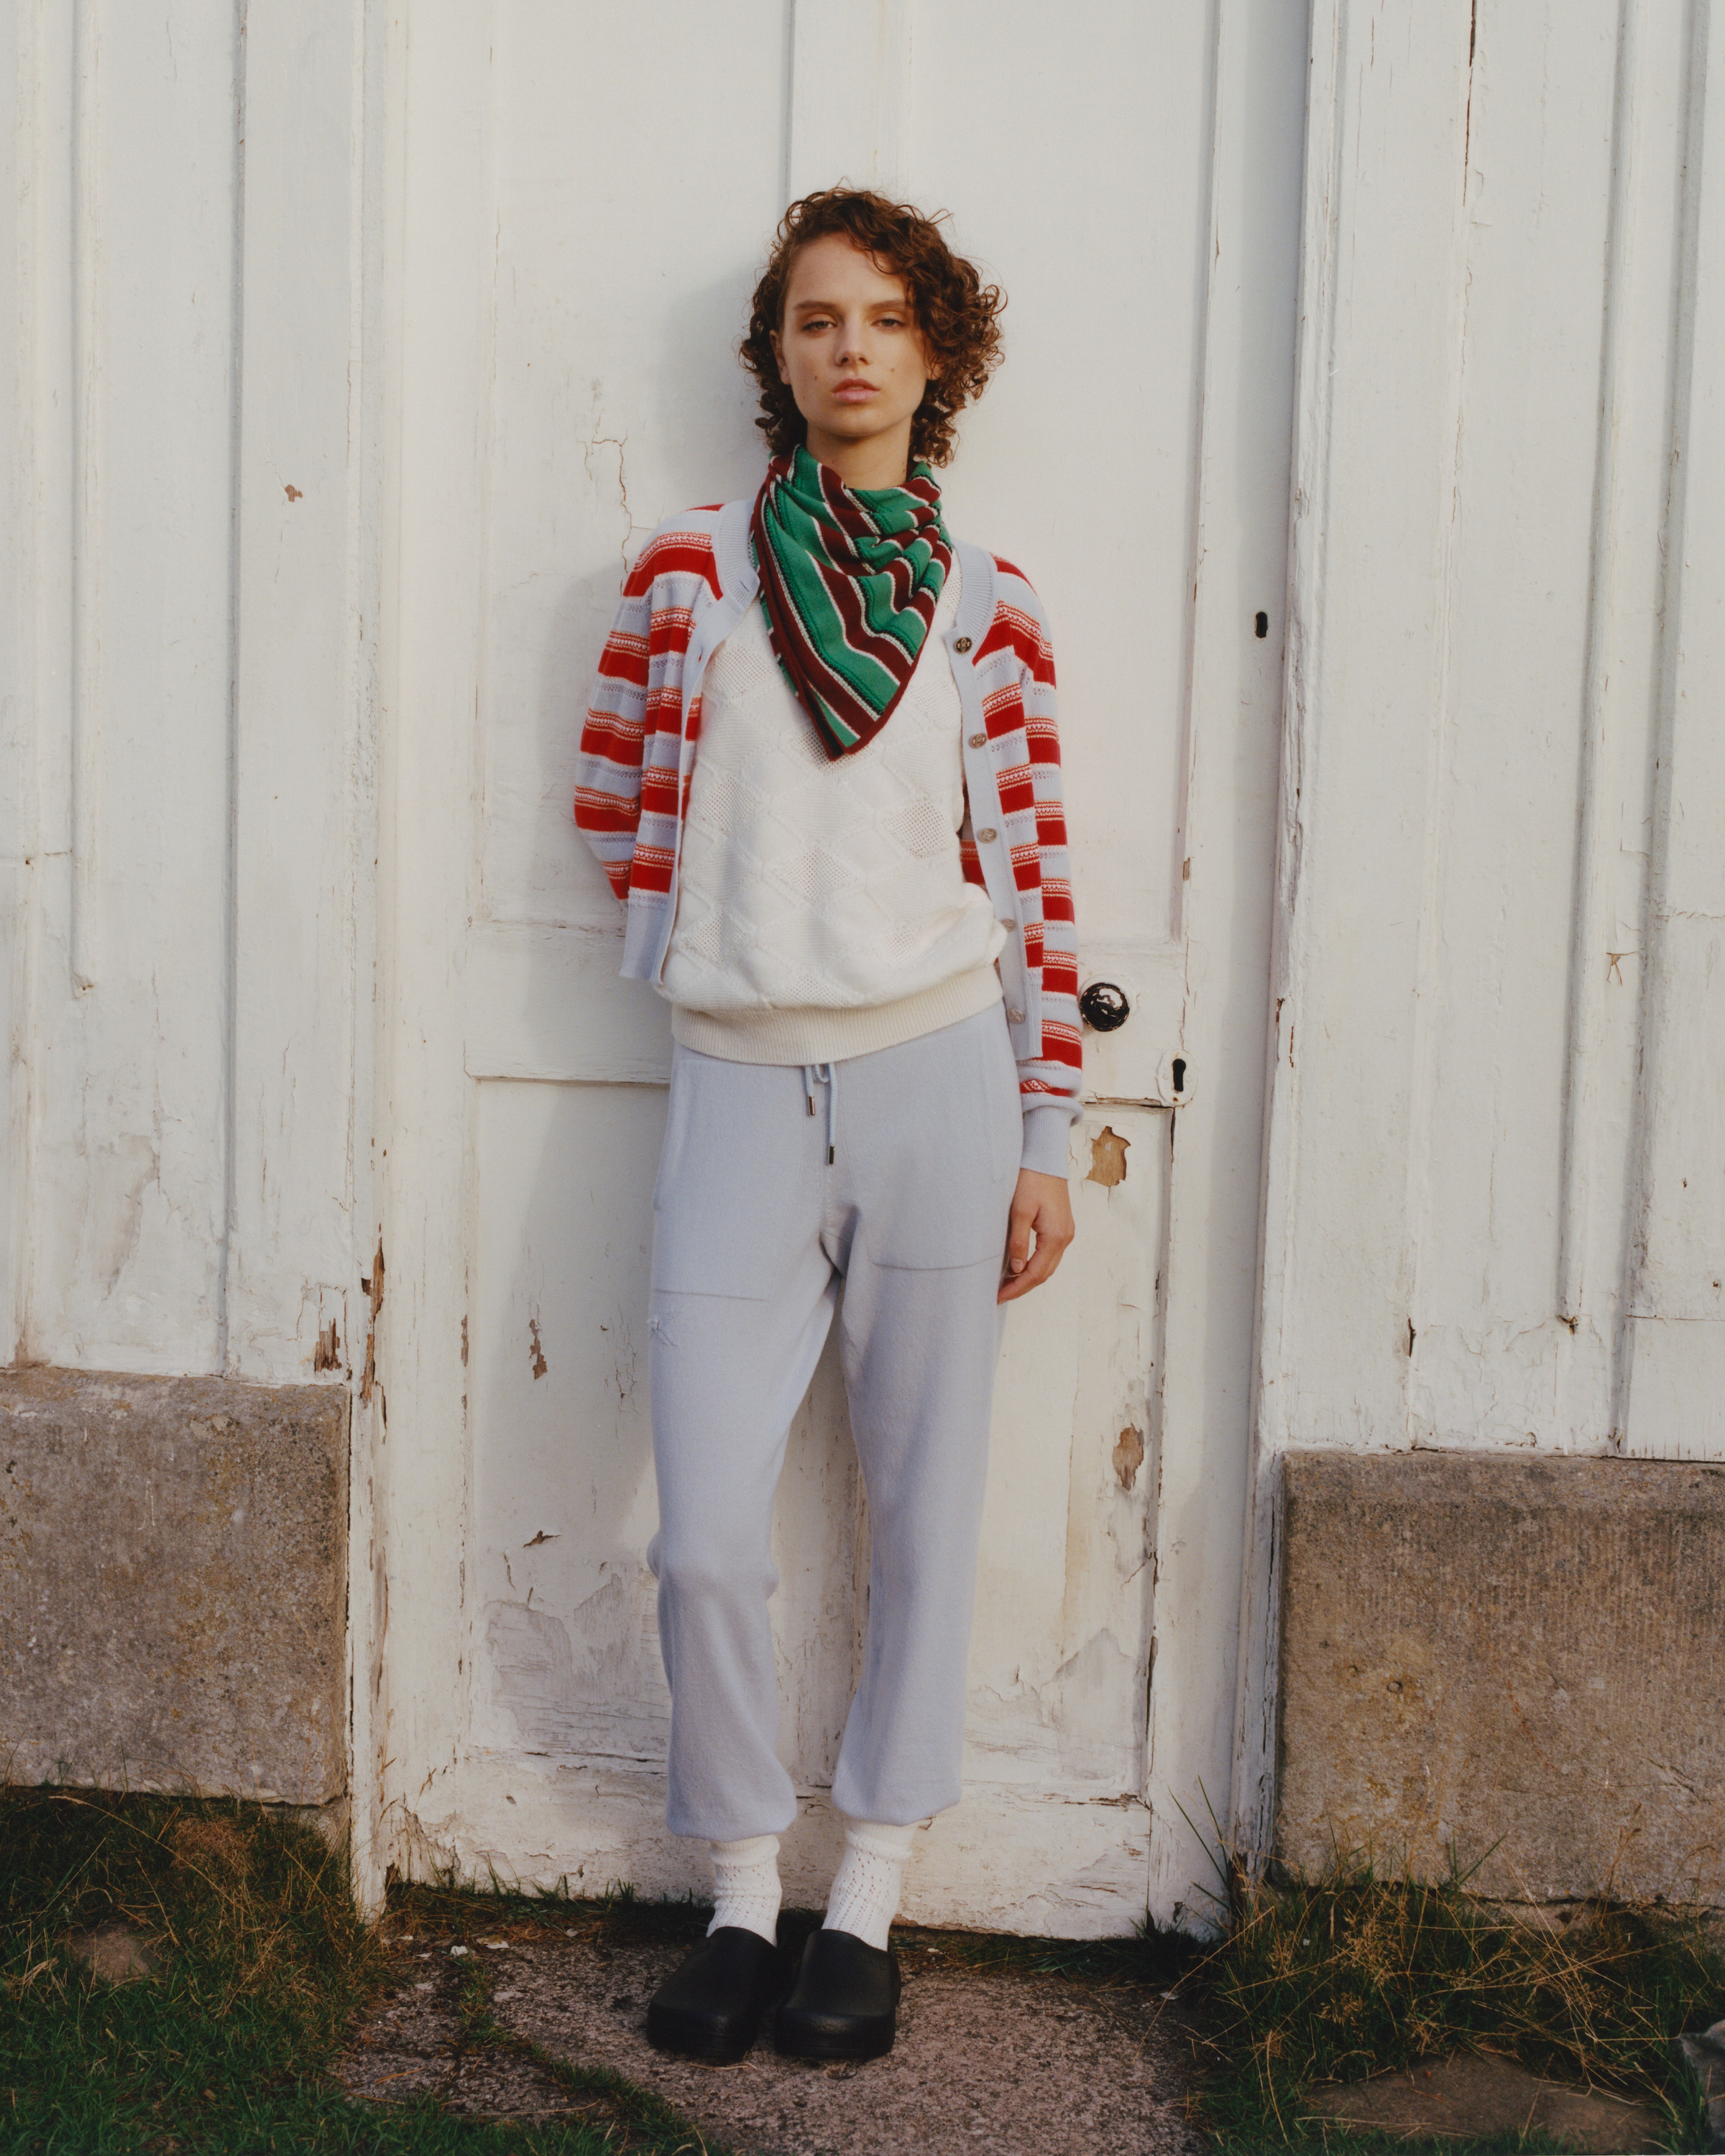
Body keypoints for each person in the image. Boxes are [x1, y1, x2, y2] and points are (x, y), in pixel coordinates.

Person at [573, 187, 1081, 2065]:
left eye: (883, 319)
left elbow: (1031, 869)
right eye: (813, 320)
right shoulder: (686, 573)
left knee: (925, 1505)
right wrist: (696, 937)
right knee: (701, 1532)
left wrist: (1047, 1119)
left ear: (935, 355)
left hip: (940, 1074)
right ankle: (732, 1888)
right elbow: (617, 786)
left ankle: (865, 1892)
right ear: (775, 357)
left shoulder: (985, 601)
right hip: (734, 1083)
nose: (848, 348)